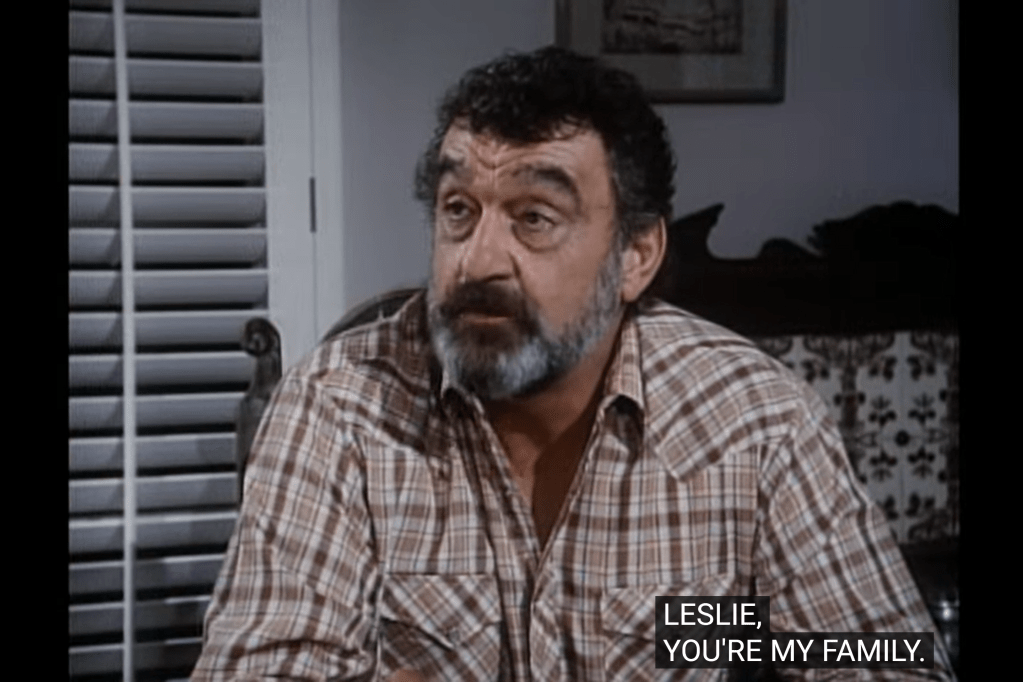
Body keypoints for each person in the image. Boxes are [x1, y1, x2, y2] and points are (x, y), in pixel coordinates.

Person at [192, 47, 953, 681]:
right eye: (458, 210)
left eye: (534, 218)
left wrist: (739, 639)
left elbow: (885, 655)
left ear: (635, 256)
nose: (477, 261)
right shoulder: (336, 406)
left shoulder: (757, 419)